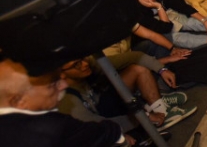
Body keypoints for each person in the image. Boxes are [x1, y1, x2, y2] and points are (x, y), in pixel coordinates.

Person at [0, 59, 126, 147]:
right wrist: (118, 133)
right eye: (52, 85)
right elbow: (101, 134)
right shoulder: (50, 127)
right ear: (19, 101)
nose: (64, 85)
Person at [58, 54, 195, 133]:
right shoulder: (66, 98)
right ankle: (151, 114)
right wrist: (143, 118)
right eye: (77, 65)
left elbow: (133, 56)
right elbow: (93, 126)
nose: (84, 64)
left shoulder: (90, 65)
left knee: (136, 70)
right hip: (102, 124)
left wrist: (162, 69)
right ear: (61, 74)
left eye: (83, 59)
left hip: (105, 102)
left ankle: (159, 107)